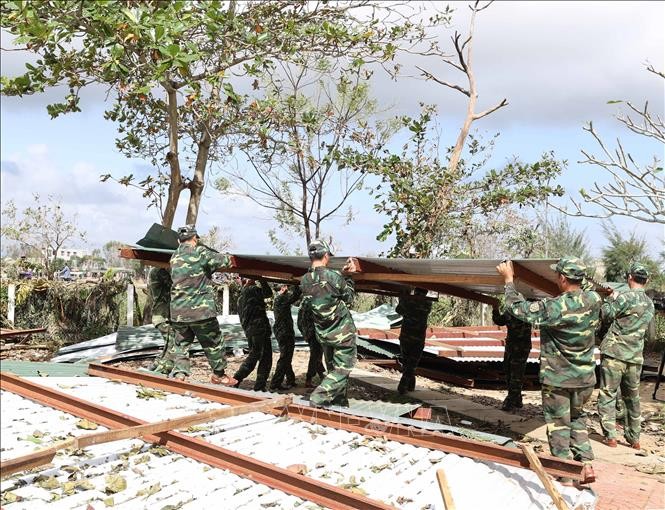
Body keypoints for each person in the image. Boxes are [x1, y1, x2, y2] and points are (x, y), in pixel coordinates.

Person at [496, 257, 601, 484]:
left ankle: (564, 476)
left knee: (559, 427)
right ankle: (585, 465)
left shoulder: (555, 307)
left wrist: (508, 281)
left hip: (559, 379)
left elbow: (518, 308)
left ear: (562, 278)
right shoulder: (594, 299)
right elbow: (590, 290)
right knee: (578, 420)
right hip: (585, 379)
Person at [169, 225, 236, 385]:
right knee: (213, 342)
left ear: (179, 240)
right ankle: (219, 375)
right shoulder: (201, 252)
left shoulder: (173, 257)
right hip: (201, 311)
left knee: (180, 344)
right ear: (195, 238)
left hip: (178, 311)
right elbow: (227, 261)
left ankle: (179, 375)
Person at [597, 262, 655, 449]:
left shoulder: (624, 298)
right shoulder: (649, 303)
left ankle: (610, 436)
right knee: (632, 398)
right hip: (634, 357)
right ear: (646, 281)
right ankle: (634, 438)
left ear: (630, 277)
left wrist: (608, 299)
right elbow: (647, 332)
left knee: (608, 394)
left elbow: (606, 315)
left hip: (615, 354)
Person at [300, 239, 358, 407]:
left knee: (334, 370)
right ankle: (319, 396)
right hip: (342, 333)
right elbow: (349, 297)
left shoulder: (304, 280)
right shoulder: (334, 277)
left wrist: (341, 276)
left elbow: (323, 285)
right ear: (326, 255)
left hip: (324, 334)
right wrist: (350, 277)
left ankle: (339, 403)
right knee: (342, 370)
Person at [233, 277, 273, 391]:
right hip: (258, 329)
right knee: (257, 356)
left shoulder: (241, 296)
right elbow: (268, 293)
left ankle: (259, 386)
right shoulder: (252, 290)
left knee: (261, 357)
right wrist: (262, 279)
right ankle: (236, 379)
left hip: (253, 330)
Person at [492, 304, 533, 410]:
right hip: (518, 348)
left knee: (514, 375)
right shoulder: (527, 310)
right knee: (513, 373)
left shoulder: (512, 311)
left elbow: (499, 320)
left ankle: (511, 401)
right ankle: (517, 399)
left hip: (517, 348)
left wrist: (495, 309)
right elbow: (500, 321)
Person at [396, 288, 433, 395]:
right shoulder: (427, 302)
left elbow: (399, 310)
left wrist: (403, 298)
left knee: (407, 363)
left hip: (406, 337)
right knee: (411, 364)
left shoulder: (409, 301)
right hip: (418, 339)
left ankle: (404, 386)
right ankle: (408, 386)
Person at [269, 284, 302, 390]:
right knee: (285, 357)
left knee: (287, 356)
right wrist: (297, 283)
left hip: (283, 330)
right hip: (284, 331)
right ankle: (275, 383)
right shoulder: (282, 298)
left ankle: (290, 379)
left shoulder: (279, 298)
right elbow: (296, 296)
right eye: (286, 287)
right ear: (282, 288)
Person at [146, 267, 175, 374]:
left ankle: (156, 365)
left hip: (162, 315)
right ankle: (163, 370)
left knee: (169, 344)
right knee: (172, 343)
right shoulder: (159, 271)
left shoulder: (156, 271)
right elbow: (175, 284)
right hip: (163, 316)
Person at [298, 297, 327, 388]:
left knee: (317, 355)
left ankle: (321, 375)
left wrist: (304, 333)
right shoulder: (314, 302)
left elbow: (300, 320)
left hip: (311, 333)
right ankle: (309, 379)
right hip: (315, 333)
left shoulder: (304, 301)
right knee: (315, 355)